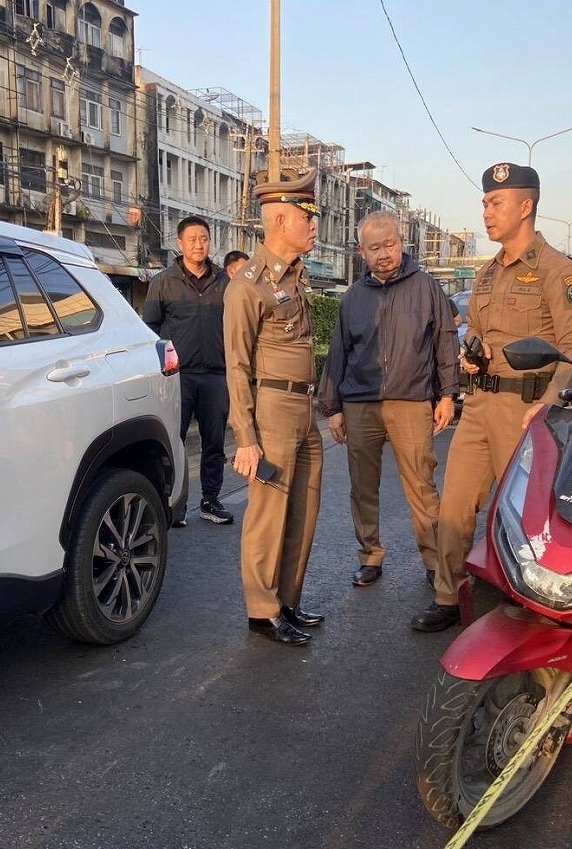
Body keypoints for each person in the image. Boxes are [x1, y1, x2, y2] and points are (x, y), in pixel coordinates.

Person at [416, 162, 572, 632]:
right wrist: (475, 354)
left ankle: (532, 604)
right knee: (455, 505)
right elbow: (477, 331)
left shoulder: (558, 270)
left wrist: (549, 401)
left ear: (525, 206)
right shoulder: (488, 273)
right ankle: (448, 595)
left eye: (496, 203)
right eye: (485, 203)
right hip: (479, 407)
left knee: (526, 514)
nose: (486, 213)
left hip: (526, 410)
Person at [318, 210, 459, 592]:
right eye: (375, 247)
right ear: (362, 252)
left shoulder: (426, 287)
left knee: (421, 485)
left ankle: (434, 562)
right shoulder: (353, 297)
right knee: (362, 486)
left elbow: (445, 341)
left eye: (390, 245)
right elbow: (339, 351)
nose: (384, 253)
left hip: (411, 401)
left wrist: (447, 394)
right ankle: (370, 557)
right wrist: (333, 408)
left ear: (402, 243)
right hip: (360, 403)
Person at [224, 168, 325, 646]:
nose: (314, 226)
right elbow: (236, 366)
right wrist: (246, 438)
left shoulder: (297, 277)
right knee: (268, 516)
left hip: (304, 409)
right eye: (307, 217)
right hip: (272, 411)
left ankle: (287, 601)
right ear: (281, 220)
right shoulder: (247, 285)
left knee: (303, 511)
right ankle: (262, 611)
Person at [143, 216, 234, 528]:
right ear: (180, 243)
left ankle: (211, 500)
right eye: (193, 239)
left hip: (216, 376)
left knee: (214, 442)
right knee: (173, 442)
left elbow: (236, 327)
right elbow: (150, 329)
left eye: (204, 238)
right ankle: (173, 505)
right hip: (177, 378)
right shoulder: (163, 282)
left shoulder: (224, 282)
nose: (199, 244)